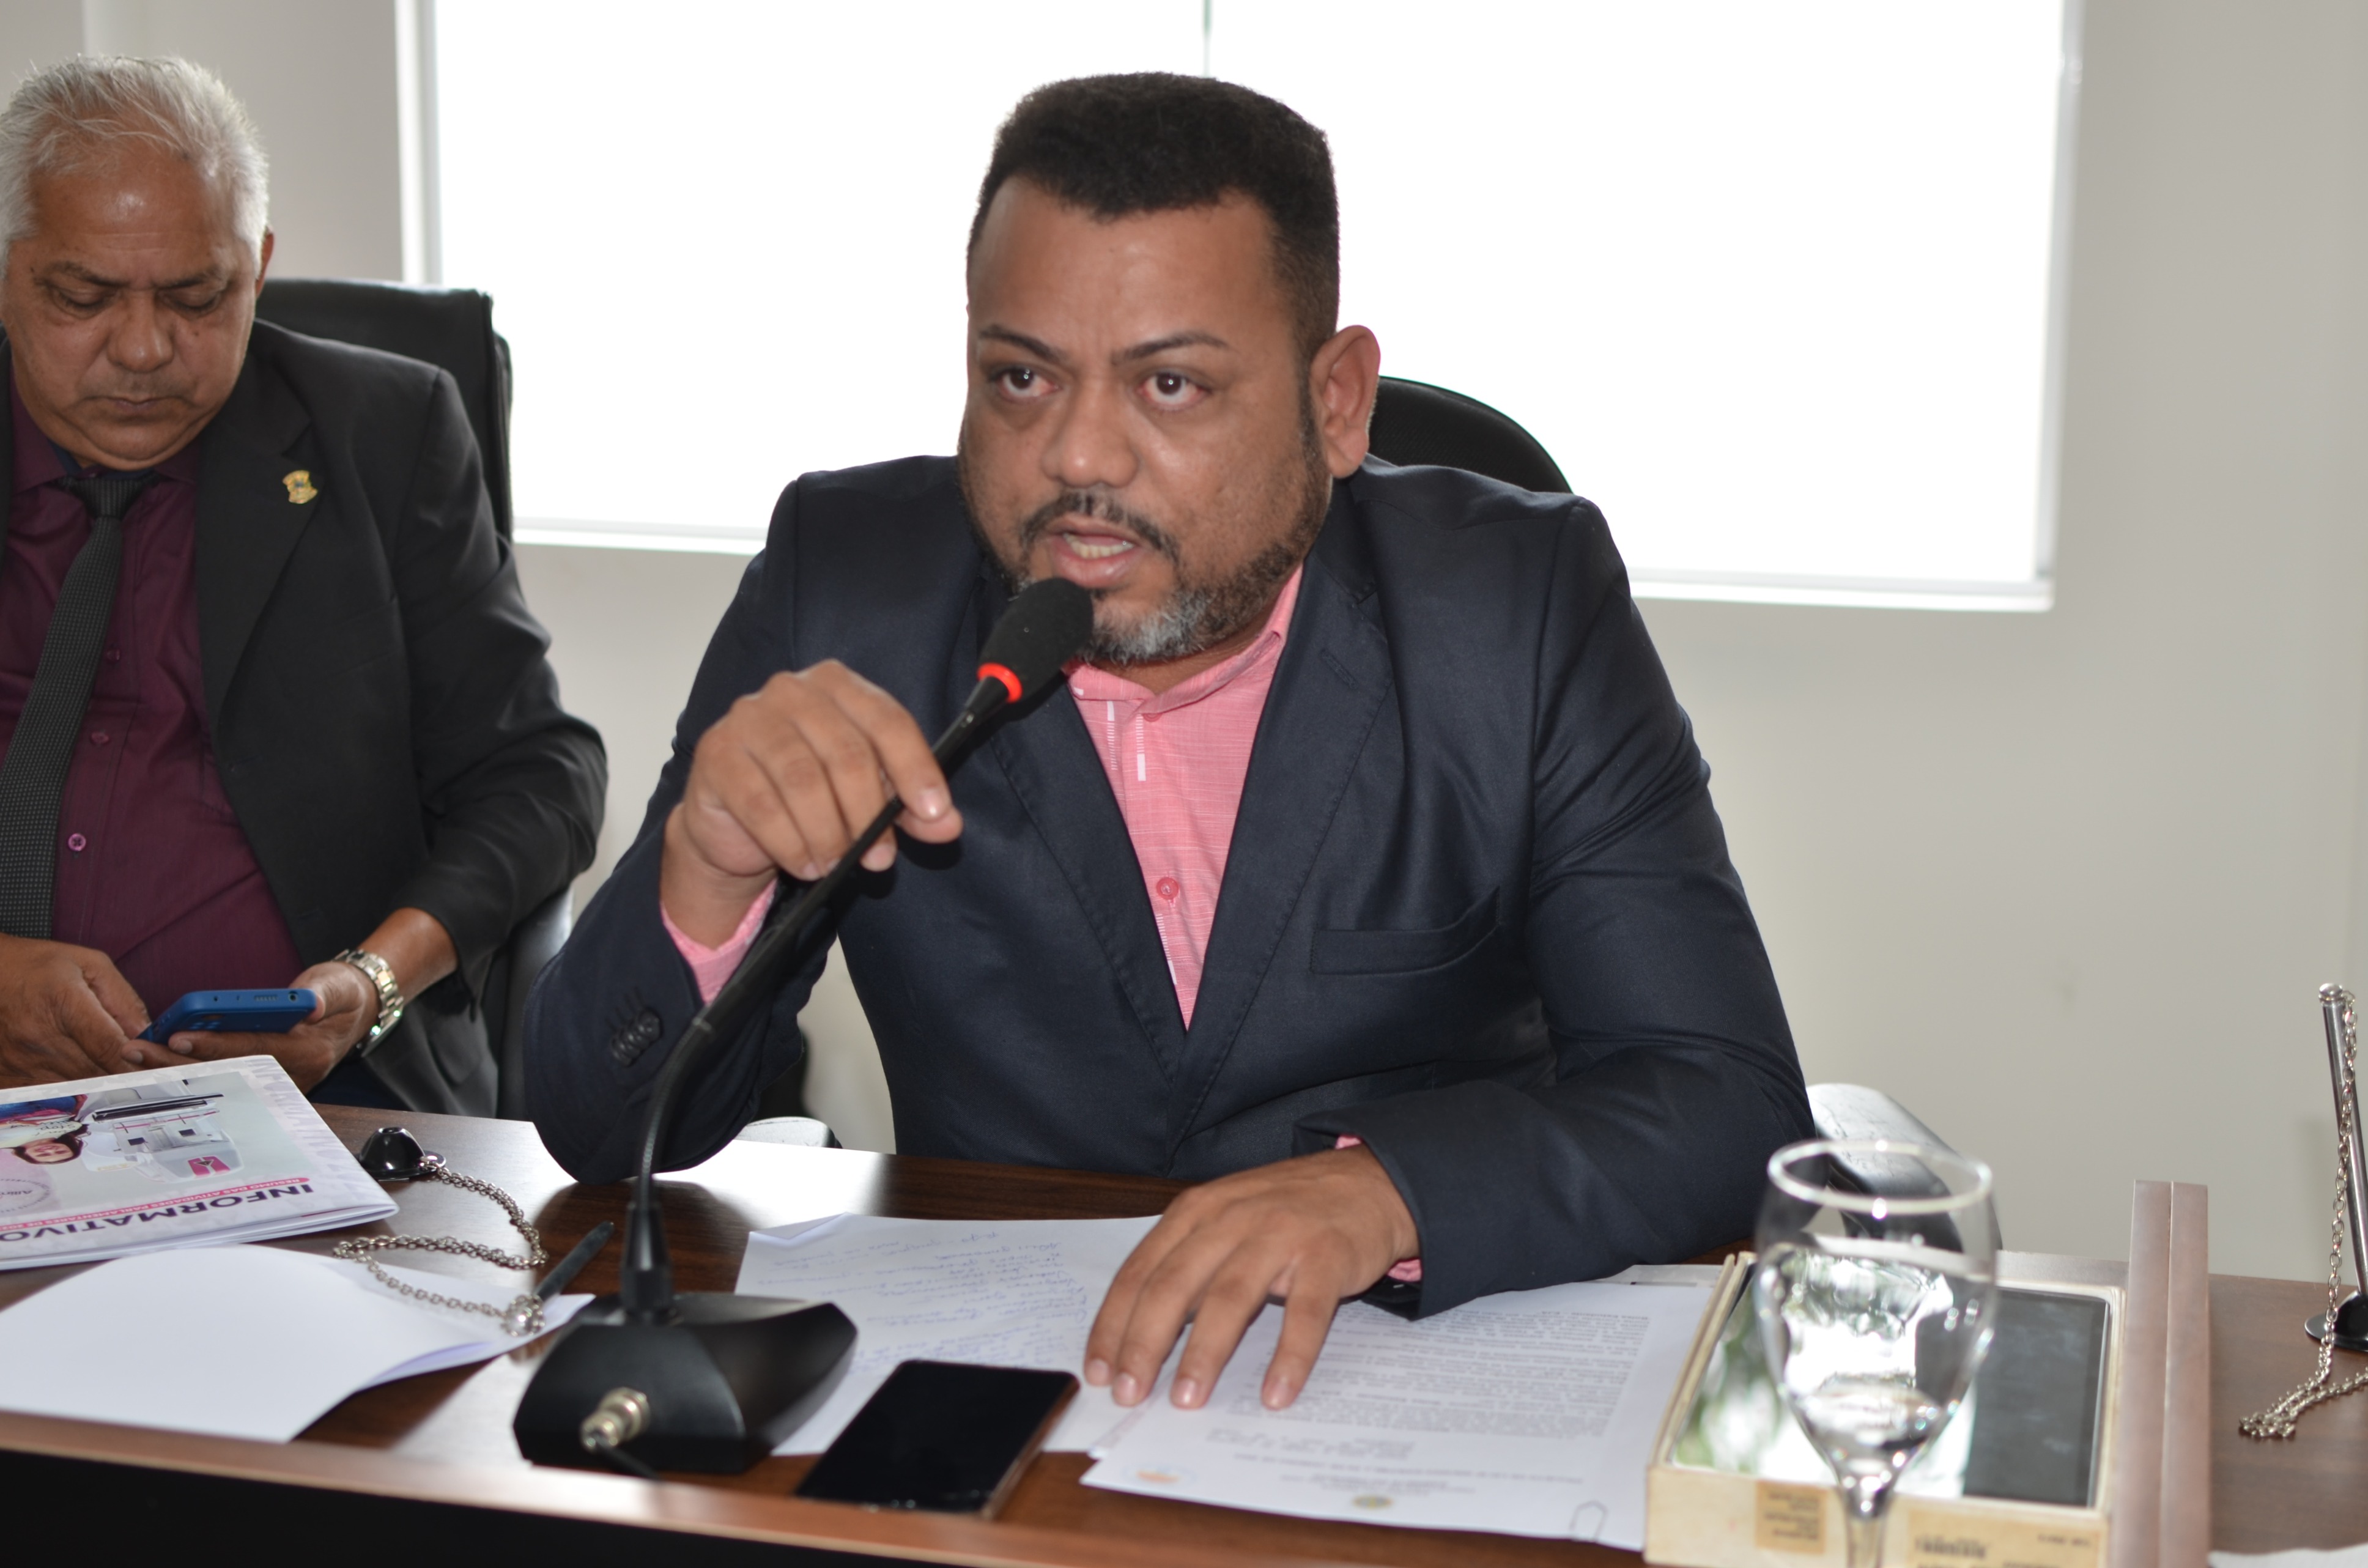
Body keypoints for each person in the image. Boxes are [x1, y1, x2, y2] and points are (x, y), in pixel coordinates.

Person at [528, 73, 1804, 1411]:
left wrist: (1393, 1190)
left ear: (1337, 401)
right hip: (1004, 1398)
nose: (1079, 456)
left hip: (1408, 1383)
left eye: (1171, 384)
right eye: (1021, 377)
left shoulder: (1513, 605)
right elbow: (597, 1131)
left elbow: (1723, 1100)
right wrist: (705, 880)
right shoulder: (846, 591)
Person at [0, 58, 604, 1115]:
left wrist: (371, 984)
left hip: (329, 1100)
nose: (143, 349)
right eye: (84, 297)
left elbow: (540, 779)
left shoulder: (386, 436)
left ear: (260, 266)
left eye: (198, 297)